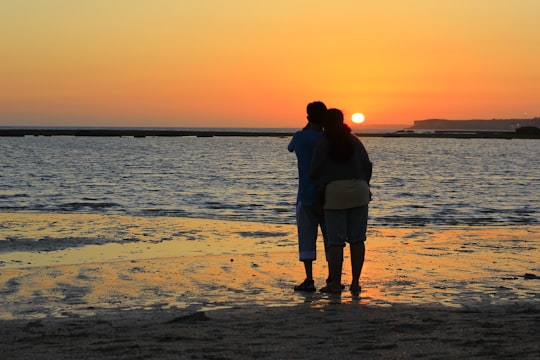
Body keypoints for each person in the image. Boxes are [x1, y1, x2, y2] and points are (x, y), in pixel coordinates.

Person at [310, 108, 372, 294]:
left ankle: (335, 284)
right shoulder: (355, 141)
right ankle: (355, 283)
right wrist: (363, 184)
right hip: (359, 191)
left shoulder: (323, 144)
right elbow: (367, 166)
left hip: (334, 193)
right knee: (357, 240)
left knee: (336, 242)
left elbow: (314, 171)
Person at [288, 101, 329, 292]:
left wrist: (306, 126)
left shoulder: (300, 137)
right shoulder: (328, 138)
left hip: (305, 195)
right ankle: (332, 277)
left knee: (306, 237)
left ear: (307, 117)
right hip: (329, 196)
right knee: (331, 238)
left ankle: (309, 279)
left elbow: (290, 148)